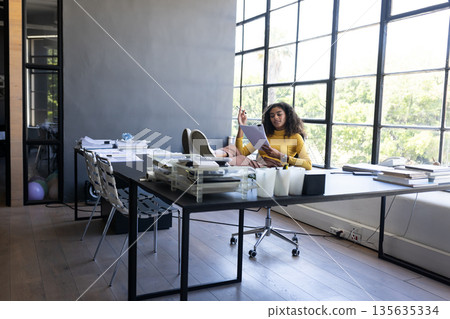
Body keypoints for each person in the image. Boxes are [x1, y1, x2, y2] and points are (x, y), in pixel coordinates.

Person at [220, 102, 312, 170]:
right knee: (232, 149)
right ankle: (214, 156)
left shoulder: (295, 137)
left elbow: (308, 165)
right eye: (272, 116)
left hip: (275, 168)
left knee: (233, 158)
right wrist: (242, 126)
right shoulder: (265, 135)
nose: (275, 117)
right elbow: (241, 153)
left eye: (279, 114)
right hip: (260, 166)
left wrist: (280, 155)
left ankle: (217, 159)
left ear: (287, 116)